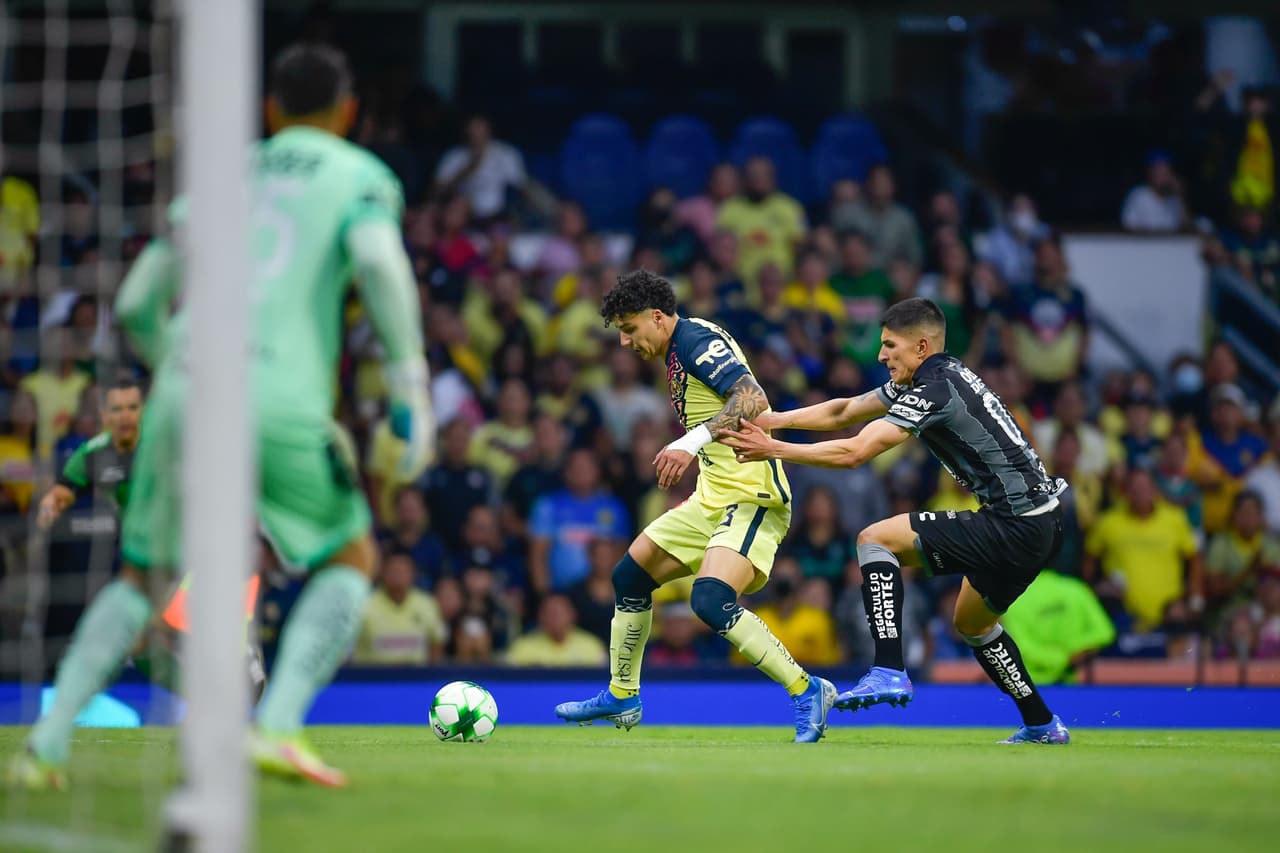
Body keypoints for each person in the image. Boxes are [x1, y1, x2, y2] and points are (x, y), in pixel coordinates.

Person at [10, 44, 434, 791]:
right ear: (348, 113)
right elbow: (376, 260)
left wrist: (175, 364)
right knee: (351, 558)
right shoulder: (358, 175)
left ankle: (44, 745)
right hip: (278, 393)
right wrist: (410, 386)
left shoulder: (218, 176)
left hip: (182, 385)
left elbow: (139, 302)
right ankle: (277, 727)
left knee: (142, 576)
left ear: (269, 110)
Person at [722, 297, 1073, 744]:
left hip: (1015, 523)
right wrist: (772, 421)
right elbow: (844, 412)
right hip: (1040, 521)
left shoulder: (934, 389)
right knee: (973, 624)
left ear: (921, 346)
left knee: (876, 539)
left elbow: (856, 451)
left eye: (890, 345)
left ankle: (888, 667)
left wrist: (776, 450)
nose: (881, 355)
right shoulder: (936, 376)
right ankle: (1042, 723)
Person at [553, 269, 836, 743]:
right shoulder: (677, 351)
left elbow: (752, 397)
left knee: (709, 600)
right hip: (712, 496)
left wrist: (691, 440)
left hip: (751, 496)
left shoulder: (695, 339)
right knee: (629, 577)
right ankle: (623, 694)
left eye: (629, 329)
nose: (624, 343)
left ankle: (808, 690)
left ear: (658, 318)